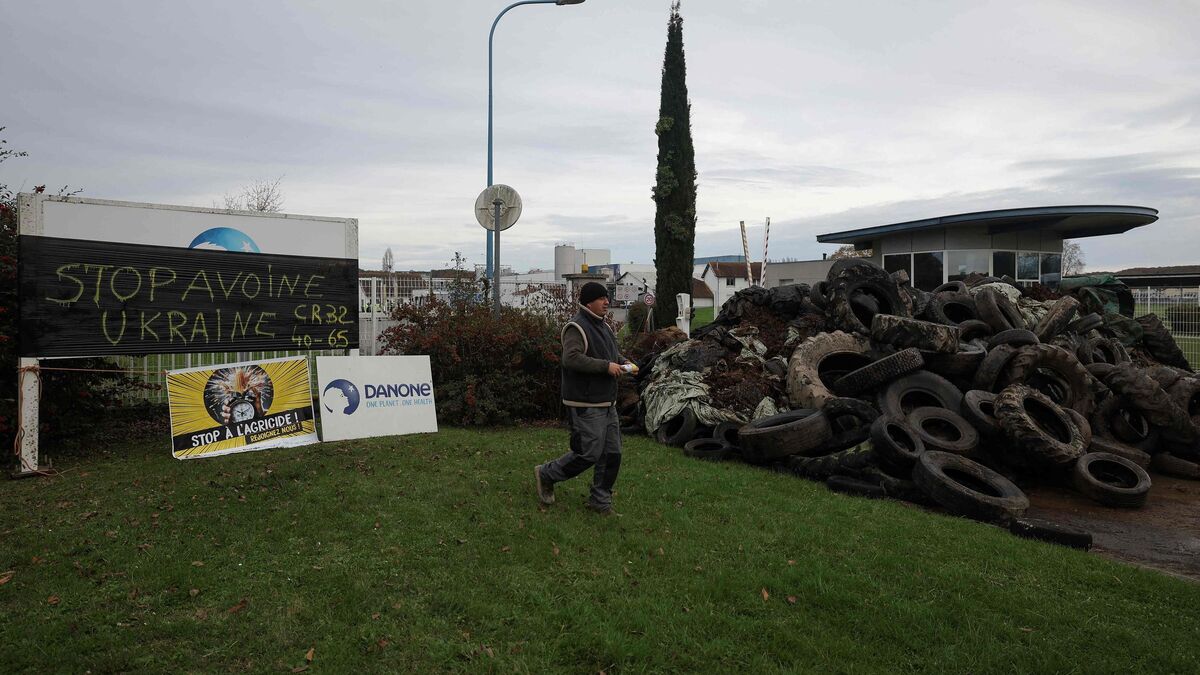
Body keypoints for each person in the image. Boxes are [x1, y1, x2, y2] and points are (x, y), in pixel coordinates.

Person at [535, 281, 630, 515]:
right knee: (588, 453)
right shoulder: (575, 327)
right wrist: (606, 366)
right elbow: (572, 358)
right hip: (585, 403)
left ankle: (600, 502)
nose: (607, 301)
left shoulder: (604, 327)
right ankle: (546, 474)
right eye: (601, 298)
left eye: (607, 297)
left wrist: (624, 362)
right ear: (589, 302)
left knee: (612, 454)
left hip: (608, 402)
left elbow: (610, 354)